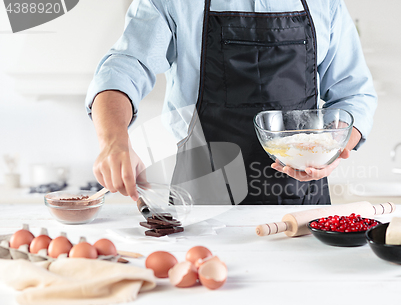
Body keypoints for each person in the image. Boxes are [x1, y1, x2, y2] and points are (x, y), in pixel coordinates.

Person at [86, 0, 377, 205]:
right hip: (201, 207)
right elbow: (124, 68)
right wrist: (114, 141)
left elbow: (354, 95)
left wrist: (331, 149)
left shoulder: (324, 3)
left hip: (300, 208)